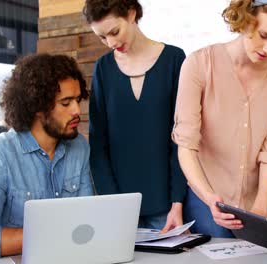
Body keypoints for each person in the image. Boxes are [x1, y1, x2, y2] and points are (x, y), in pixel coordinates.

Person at [172, 0, 267, 237]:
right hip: (209, 201)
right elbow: (186, 145)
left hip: (260, 199)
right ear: (245, 19)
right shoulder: (199, 64)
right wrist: (208, 197)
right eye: (264, 35)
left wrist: (260, 206)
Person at [83, 0, 187, 232]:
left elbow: (182, 139)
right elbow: (98, 144)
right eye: (102, 37)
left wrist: (177, 202)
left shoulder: (174, 59)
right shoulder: (103, 68)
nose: (110, 43)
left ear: (131, 14)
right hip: (120, 209)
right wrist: (113, 203)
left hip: (167, 208)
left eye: (114, 32)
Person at [0, 54, 94, 259]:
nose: (77, 111)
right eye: (66, 103)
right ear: (38, 107)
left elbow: (87, 218)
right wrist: (50, 234)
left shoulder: (79, 147)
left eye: (77, 99)